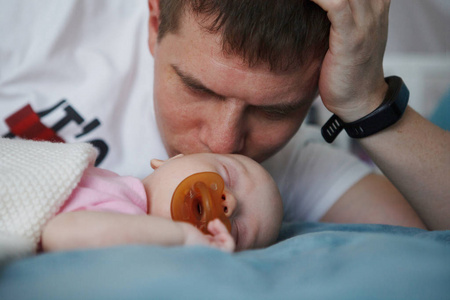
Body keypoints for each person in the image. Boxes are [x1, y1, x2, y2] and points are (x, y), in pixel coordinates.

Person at [0, 0, 448, 231]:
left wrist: (367, 103)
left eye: (275, 110)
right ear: (155, 22)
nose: (222, 143)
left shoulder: (268, 180)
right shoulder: (40, 22)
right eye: (198, 88)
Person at [41, 152, 283, 253]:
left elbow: (59, 233)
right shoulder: (115, 189)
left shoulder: (125, 223)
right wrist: (183, 235)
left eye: (237, 232)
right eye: (227, 175)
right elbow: (61, 229)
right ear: (170, 160)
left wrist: (182, 238)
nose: (229, 203)